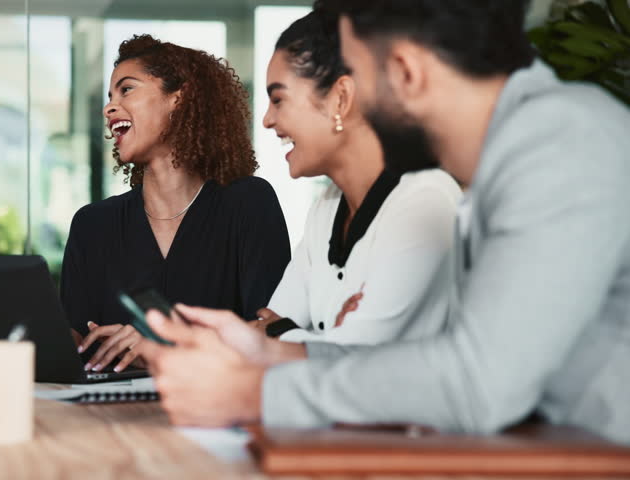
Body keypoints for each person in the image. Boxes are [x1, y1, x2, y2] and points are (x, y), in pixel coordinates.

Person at [142, 0, 630, 445]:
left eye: (353, 74)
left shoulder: (561, 145)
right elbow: (446, 365)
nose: (349, 103)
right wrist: (266, 353)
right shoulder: (512, 156)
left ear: (406, 73)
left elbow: (475, 383)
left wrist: (254, 392)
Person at [61, 35, 291, 373]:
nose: (108, 107)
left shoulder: (248, 203)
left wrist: (159, 348)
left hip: (220, 411)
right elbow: (74, 341)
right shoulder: (92, 224)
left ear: (178, 98)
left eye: (126, 90)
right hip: (110, 415)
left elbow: (271, 333)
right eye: (110, 96)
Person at [256, 11, 461, 345]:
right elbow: (266, 330)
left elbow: (355, 359)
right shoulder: (326, 209)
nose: (267, 119)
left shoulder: (426, 201)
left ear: (341, 98)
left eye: (279, 99)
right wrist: (306, 337)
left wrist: (284, 332)